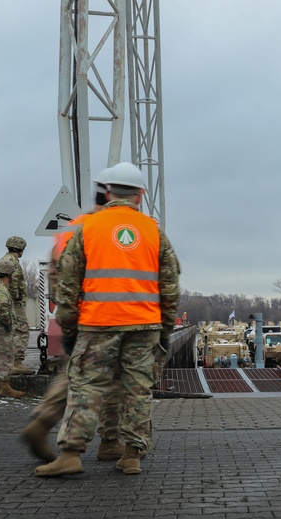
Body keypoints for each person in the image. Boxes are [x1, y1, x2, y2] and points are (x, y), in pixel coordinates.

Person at [34, 162, 181, 478]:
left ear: (108, 192)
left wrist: (70, 327)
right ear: (140, 195)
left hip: (98, 324)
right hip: (145, 327)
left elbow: (70, 283)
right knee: (137, 390)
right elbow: (170, 286)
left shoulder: (89, 228)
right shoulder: (154, 231)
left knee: (86, 388)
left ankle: (71, 455)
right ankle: (131, 456)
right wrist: (165, 329)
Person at [21, 175, 125, 463]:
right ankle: (109, 441)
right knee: (111, 379)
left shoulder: (71, 229)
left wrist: (67, 312)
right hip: (103, 317)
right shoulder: (106, 228)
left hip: (74, 314)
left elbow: (56, 274)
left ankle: (42, 421)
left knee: (72, 375)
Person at [0, 236, 32, 375]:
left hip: (1, 300)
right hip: (13, 302)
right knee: (21, 330)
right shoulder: (13, 262)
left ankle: (6, 366)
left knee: (6, 333)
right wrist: (16, 299)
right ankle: (16, 362)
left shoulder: (0, 261)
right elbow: (14, 284)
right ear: (20, 249)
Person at [0, 258, 26, 398]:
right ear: (9, 274)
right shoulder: (2, 290)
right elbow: (2, 308)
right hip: (1, 328)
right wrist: (9, 324)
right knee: (6, 356)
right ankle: (5, 387)